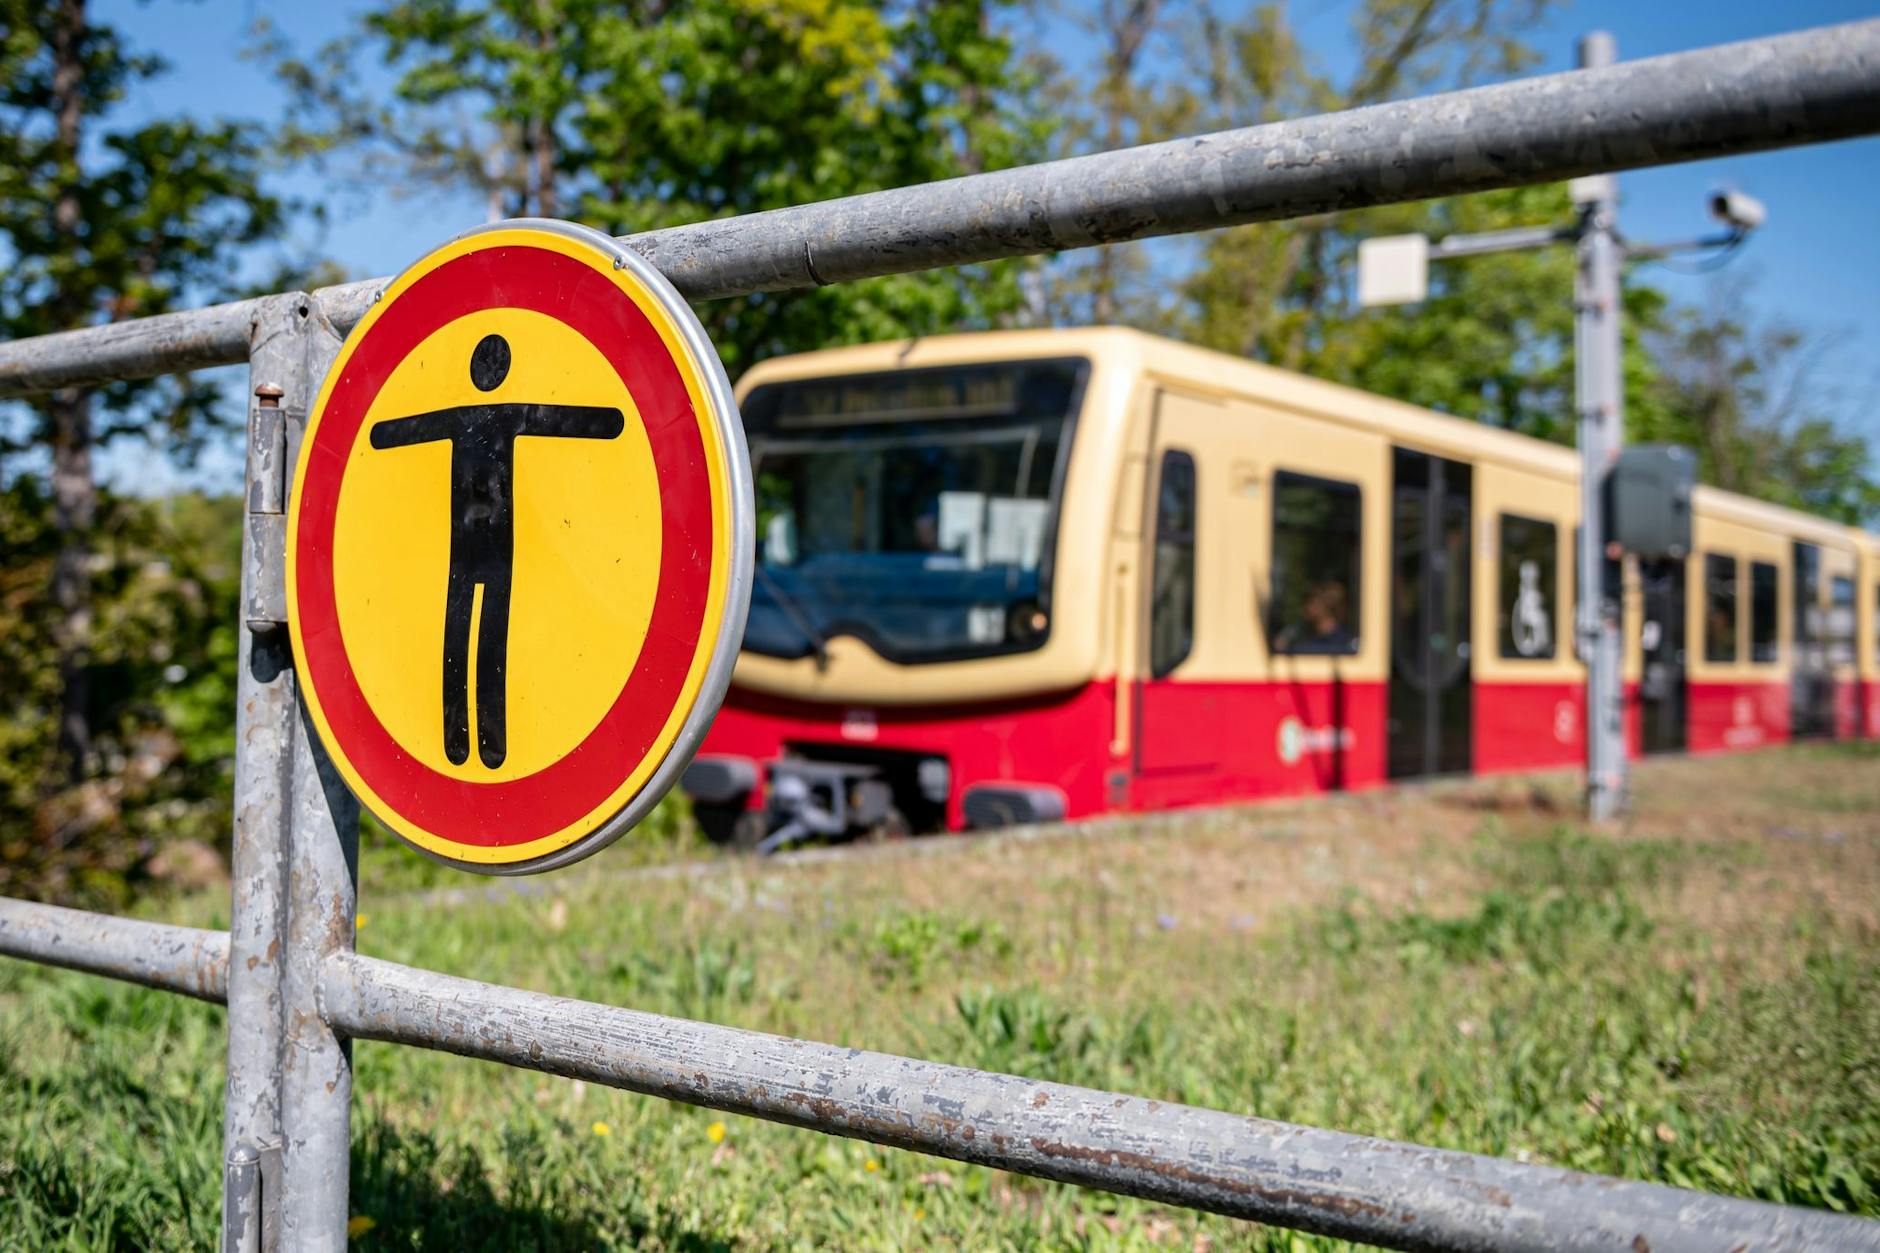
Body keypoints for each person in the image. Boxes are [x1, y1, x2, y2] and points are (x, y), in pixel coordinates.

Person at [1279, 581, 1356, 653]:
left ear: (1324, 605)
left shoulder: (1345, 640)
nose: (1306, 608)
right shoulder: (1301, 635)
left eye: (1311, 602)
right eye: (1305, 602)